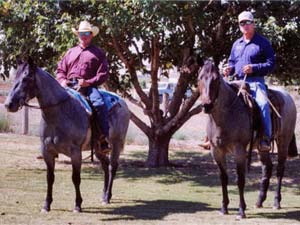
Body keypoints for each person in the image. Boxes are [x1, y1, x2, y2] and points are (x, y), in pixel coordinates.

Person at [223, 11, 275, 151]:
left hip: (255, 82)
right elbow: (232, 63)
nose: (245, 25)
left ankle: (265, 138)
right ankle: (212, 138)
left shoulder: (263, 43)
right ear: (239, 26)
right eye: (242, 23)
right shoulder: (236, 44)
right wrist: (229, 69)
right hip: (237, 82)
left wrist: (254, 68)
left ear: (253, 24)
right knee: (219, 101)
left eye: (247, 22)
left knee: (263, 104)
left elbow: (271, 64)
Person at [56, 20, 110, 153]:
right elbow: (60, 70)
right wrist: (62, 80)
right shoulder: (70, 52)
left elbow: (103, 74)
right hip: (69, 86)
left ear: (91, 35)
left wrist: (88, 82)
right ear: (78, 35)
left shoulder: (98, 53)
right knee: (52, 103)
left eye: (86, 33)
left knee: (99, 104)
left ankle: (103, 140)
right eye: (81, 33)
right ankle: (50, 142)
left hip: (88, 87)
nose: (83, 36)